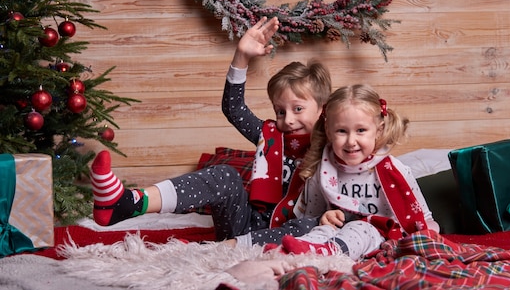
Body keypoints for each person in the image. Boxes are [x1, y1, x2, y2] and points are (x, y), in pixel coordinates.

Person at [89, 16, 332, 246]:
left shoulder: (333, 144)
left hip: (290, 236)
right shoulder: (268, 136)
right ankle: (128, 203)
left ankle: (229, 249)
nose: (288, 119)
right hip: (244, 226)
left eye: (298, 109)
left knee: (312, 225)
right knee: (226, 174)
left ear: (322, 108)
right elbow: (233, 109)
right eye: (280, 111)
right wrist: (241, 56)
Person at [274, 84, 439, 260]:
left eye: (361, 130)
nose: (351, 141)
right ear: (329, 132)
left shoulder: (395, 170)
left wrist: (423, 238)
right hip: (336, 230)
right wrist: (325, 217)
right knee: (322, 230)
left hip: (379, 234)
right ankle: (290, 254)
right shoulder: (323, 170)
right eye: (342, 131)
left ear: (379, 130)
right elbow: (311, 217)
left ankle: (330, 252)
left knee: (360, 228)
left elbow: (424, 217)